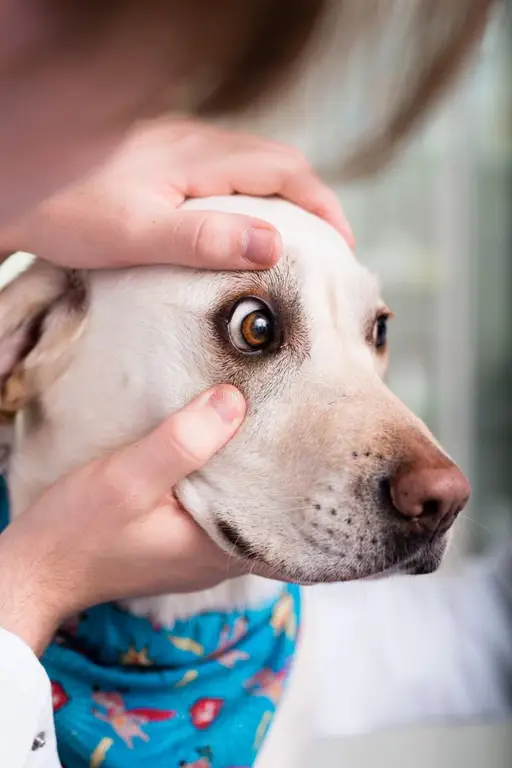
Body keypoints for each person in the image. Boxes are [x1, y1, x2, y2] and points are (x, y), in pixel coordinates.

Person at [0, 1, 499, 765]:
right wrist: (37, 580)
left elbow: (479, 634)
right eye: (255, 330)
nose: (429, 478)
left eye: (374, 334)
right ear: (33, 344)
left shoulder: (288, 653)